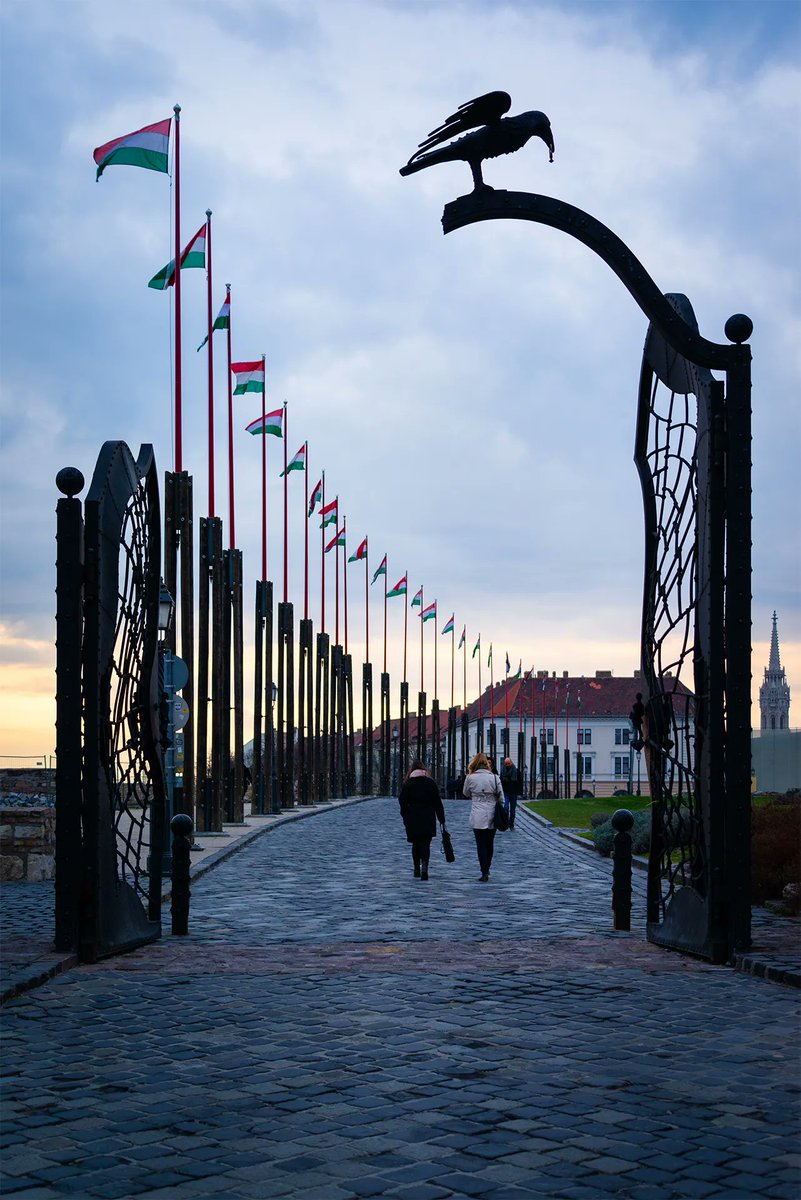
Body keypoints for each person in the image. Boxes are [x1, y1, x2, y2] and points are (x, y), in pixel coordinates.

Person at [398, 760, 445, 881]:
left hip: (412, 818)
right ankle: (425, 867)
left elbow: (402, 800)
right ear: (424, 771)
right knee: (426, 844)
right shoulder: (430, 783)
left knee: (415, 844)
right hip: (428, 817)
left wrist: (404, 814)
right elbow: (437, 802)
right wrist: (441, 818)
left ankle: (416, 869)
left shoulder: (408, 784)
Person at [462, 752, 504, 882]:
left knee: (480, 844)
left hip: (478, 811)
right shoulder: (494, 777)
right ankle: (487, 867)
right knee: (490, 843)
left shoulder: (470, 778)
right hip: (492, 811)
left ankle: (484, 870)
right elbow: (501, 796)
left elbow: (465, 792)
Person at [500, 756, 522, 830]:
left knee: (512, 810)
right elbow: (501, 782)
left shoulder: (516, 771)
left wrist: (519, 792)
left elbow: (520, 782)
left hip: (514, 793)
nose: (507, 765)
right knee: (505, 808)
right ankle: (506, 823)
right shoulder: (502, 771)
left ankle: (511, 824)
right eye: (506, 764)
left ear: (511, 762)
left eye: (509, 763)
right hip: (506, 792)